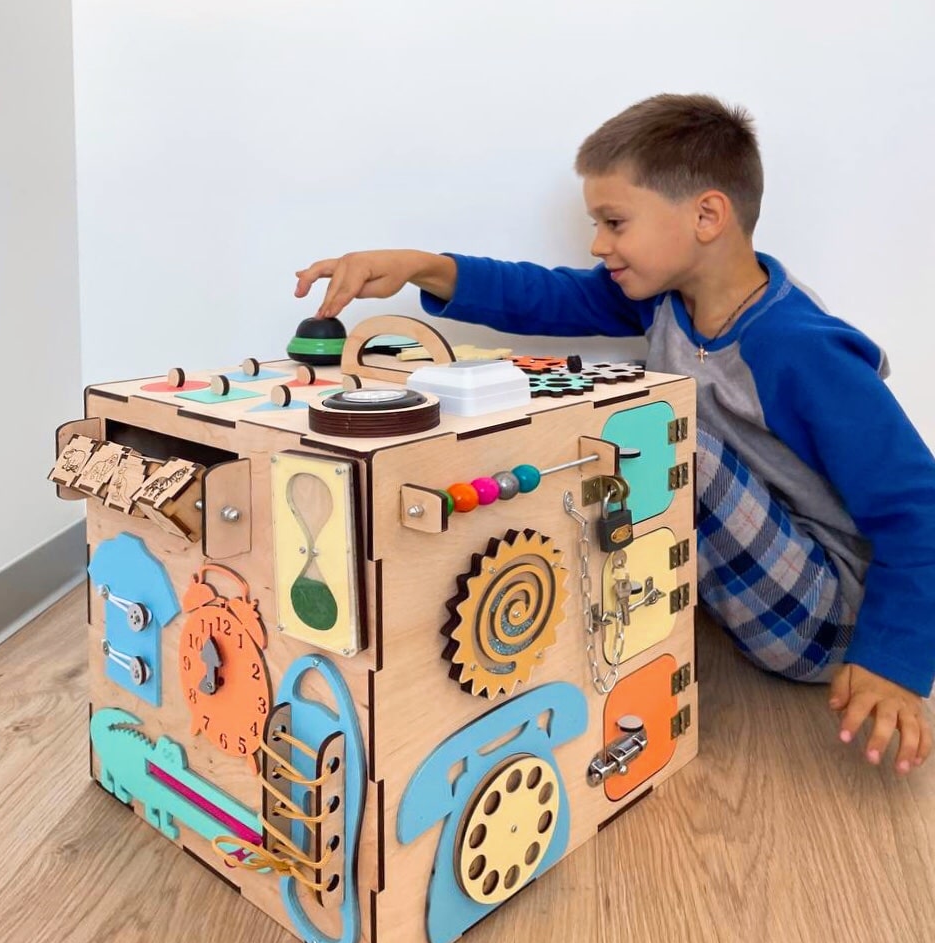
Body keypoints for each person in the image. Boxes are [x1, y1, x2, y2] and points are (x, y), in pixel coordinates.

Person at [294, 92, 935, 775]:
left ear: (707, 216)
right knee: (629, 426)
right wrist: (423, 265)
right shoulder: (668, 302)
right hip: (761, 586)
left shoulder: (796, 348)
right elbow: (548, 295)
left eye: (615, 222)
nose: (599, 244)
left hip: (833, 623)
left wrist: (891, 664)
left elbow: (917, 507)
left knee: (663, 431)